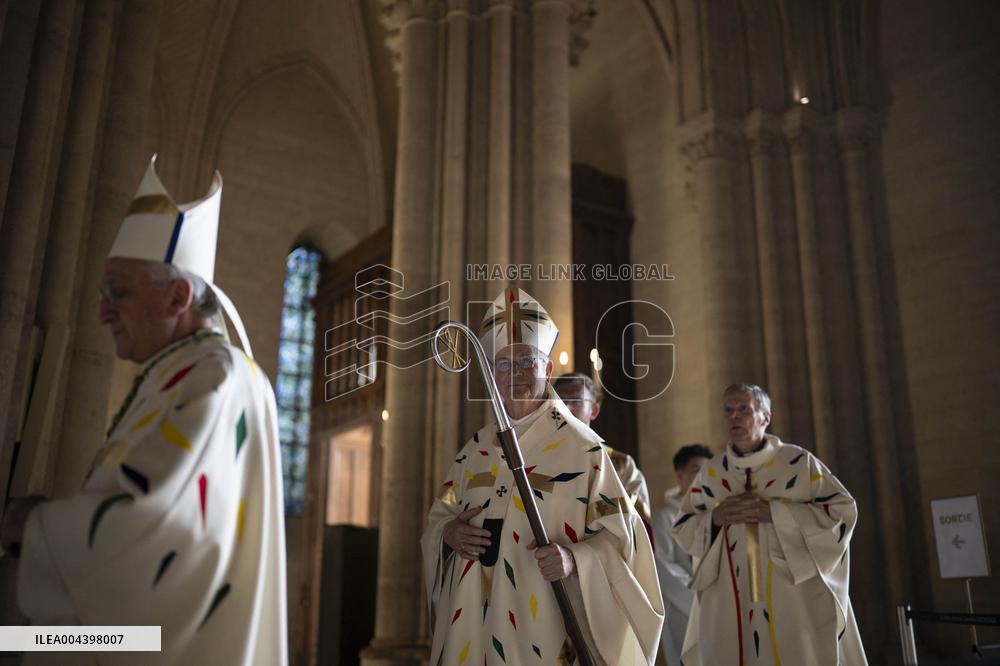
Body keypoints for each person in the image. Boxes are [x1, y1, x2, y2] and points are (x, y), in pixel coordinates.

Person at [0, 156, 288, 665]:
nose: (102, 311)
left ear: (178, 295)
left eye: (118, 292)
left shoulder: (216, 376)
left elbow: (152, 536)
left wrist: (36, 523)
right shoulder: (178, 370)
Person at [421, 287, 663, 665]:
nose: (514, 374)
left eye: (526, 362)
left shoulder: (585, 451)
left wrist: (573, 559)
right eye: (502, 364)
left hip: (543, 628)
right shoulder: (474, 450)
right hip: (471, 626)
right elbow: (439, 516)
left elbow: (624, 541)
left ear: (548, 370)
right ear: (489, 376)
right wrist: (448, 534)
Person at [672, 383, 867, 665]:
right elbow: (683, 527)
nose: (734, 417)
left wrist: (775, 513)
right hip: (730, 597)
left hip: (791, 594)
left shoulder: (798, 463)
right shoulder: (712, 473)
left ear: (765, 416)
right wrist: (715, 518)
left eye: (743, 410)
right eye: (728, 411)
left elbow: (842, 511)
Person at [552, 372, 653, 529]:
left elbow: (637, 525)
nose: (566, 407)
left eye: (575, 401)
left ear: (594, 410)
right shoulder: (536, 457)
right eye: (560, 401)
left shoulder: (621, 465)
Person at [652, 444, 711, 666]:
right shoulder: (665, 518)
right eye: (696, 470)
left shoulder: (715, 514)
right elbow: (664, 567)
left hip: (716, 605)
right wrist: (700, 598)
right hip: (683, 608)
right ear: (680, 475)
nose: (702, 477)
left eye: (707, 472)